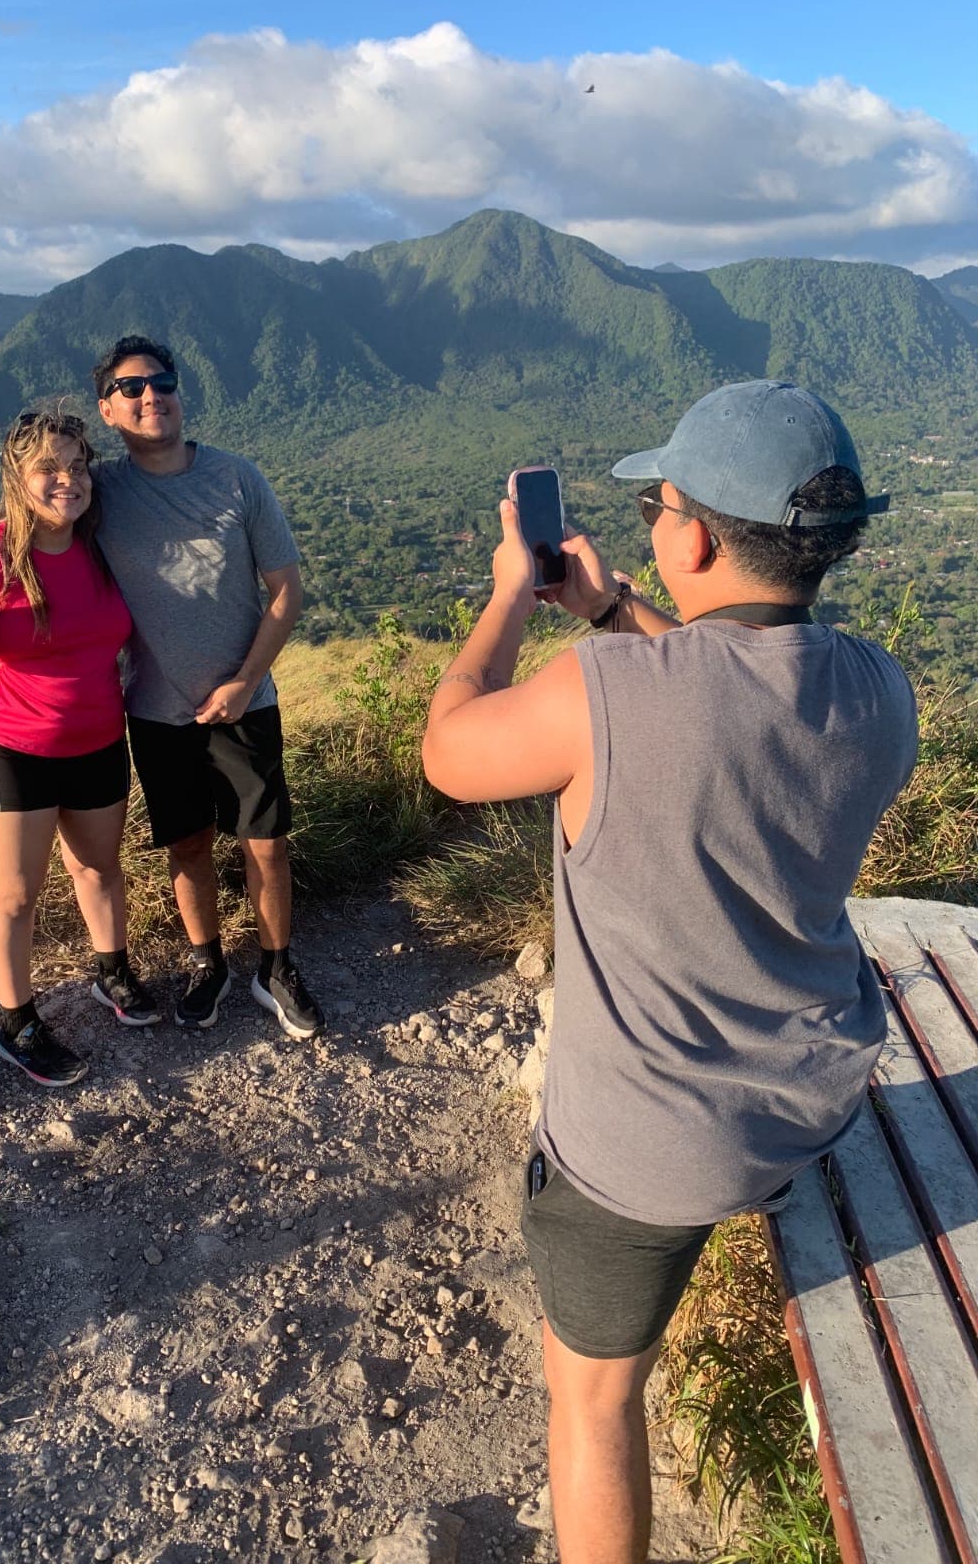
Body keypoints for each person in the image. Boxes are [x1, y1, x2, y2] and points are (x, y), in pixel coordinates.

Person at [421, 380, 918, 1564]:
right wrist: (614, 610)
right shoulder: (877, 689)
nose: (654, 521)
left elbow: (449, 750)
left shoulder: (602, 697)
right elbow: (736, 690)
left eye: (660, 504)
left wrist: (508, 598)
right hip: (809, 1097)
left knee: (593, 1402)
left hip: (649, 1148)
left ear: (691, 538)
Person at [0, 411, 159, 1088]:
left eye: (76, 465)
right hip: (11, 747)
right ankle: (17, 1025)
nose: (66, 479)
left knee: (99, 869)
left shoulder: (102, 546)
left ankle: (112, 973)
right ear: (16, 478)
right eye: (48, 467)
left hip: (99, 739)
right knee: (16, 895)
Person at [89, 335, 324, 1039]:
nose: (151, 396)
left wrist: (246, 681)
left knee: (266, 842)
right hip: (155, 708)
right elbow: (27, 547)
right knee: (186, 843)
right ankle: (207, 963)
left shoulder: (236, 478)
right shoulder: (98, 492)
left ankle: (275, 967)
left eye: (163, 382)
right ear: (107, 409)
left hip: (246, 700)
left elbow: (287, 591)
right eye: (132, 388)